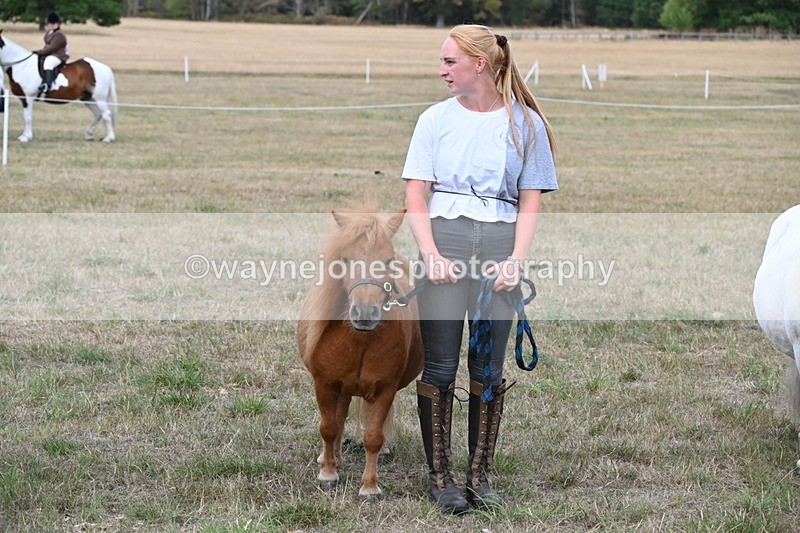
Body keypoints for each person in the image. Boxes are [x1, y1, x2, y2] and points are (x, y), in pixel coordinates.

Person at [402, 24, 558, 514]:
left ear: (480, 65)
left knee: (488, 367)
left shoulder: (525, 125)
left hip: (498, 244)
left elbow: (530, 200)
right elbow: (414, 193)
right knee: (442, 364)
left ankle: (480, 475)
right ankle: (442, 476)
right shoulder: (433, 120)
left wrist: (516, 261)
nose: (442, 69)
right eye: (443, 61)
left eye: (450, 61)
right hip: (445, 241)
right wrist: (430, 254)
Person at [37, 12, 69, 94]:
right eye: (50, 23)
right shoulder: (50, 32)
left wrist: (40, 52)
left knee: (48, 62)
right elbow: (47, 46)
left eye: (53, 23)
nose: (51, 25)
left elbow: (52, 48)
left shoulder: (59, 35)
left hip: (59, 55)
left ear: (58, 24)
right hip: (51, 53)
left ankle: (48, 85)